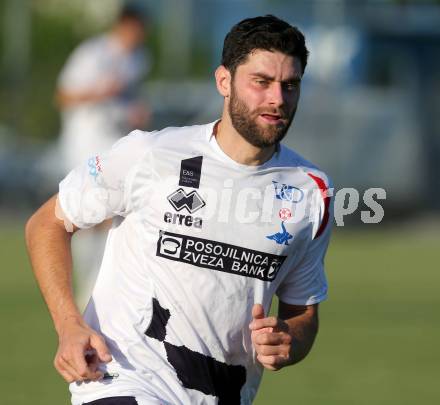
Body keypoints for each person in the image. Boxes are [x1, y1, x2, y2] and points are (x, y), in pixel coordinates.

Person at [26, 15, 333, 405]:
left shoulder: (311, 191)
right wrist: (69, 324)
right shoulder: (152, 155)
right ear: (224, 81)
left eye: (290, 85)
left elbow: (302, 312)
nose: (277, 98)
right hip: (123, 379)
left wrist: (289, 340)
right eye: (261, 82)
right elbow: (47, 223)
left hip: (221, 391)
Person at [55, 3, 151, 309]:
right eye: (136, 30)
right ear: (124, 26)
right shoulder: (94, 53)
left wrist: (134, 112)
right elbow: (64, 96)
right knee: (86, 215)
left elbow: (127, 100)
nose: (139, 37)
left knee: (116, 214)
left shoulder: (139, 59)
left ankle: (99, 284)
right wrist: (100, 92)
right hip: (85, 142)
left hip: (117, 142)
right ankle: (86, 284)